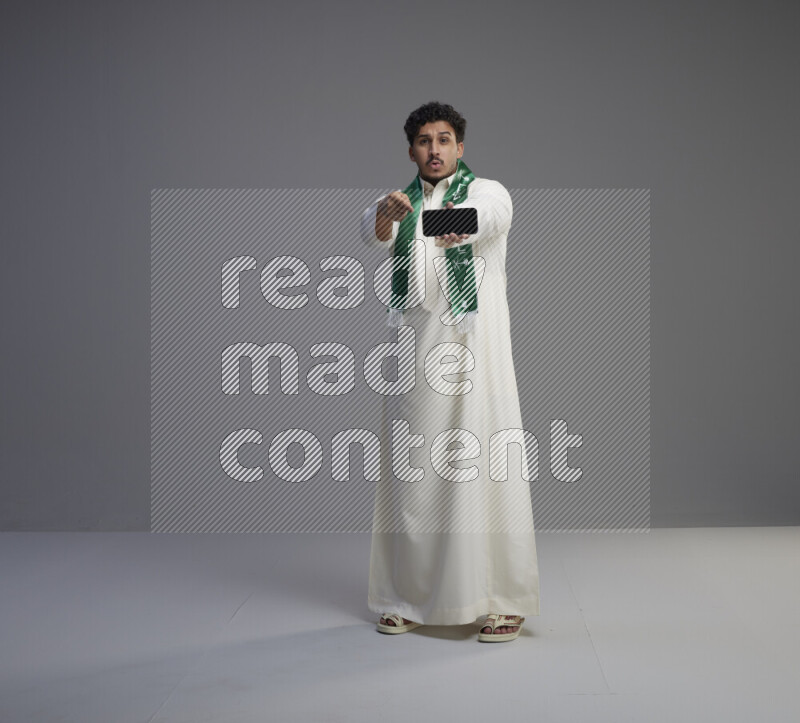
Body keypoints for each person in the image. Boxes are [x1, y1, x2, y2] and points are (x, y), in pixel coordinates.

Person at [359, 101, 540, 642]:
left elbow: (489, 220)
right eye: (422, 141)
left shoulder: (489, 192)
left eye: (443, 140)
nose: (433, 150)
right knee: (413, 473)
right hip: (415, 353)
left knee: (486, 466)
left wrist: (418, 221)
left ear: (460, 147)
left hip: (475, 351)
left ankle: (501, 599)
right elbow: (370, 231)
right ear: (410, 149)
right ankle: (407, 597)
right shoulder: (397, 202)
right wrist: (384, 218)